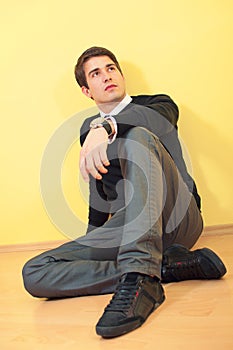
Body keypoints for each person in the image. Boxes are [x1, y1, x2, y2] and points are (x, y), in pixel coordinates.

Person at [22, 46, 226, 338]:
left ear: (120, 74)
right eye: (96, 73)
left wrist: (108, 126)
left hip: (177, 218)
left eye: (111, 68)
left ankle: (142, 279)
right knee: (35, 272)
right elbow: (99, 192)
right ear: (86, 90)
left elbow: (155, 119)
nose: (106, 76)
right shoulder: (88, 131)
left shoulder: (157, 104)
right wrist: (91, 240)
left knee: (137, 137)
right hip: (132, 226)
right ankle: (165, 267)